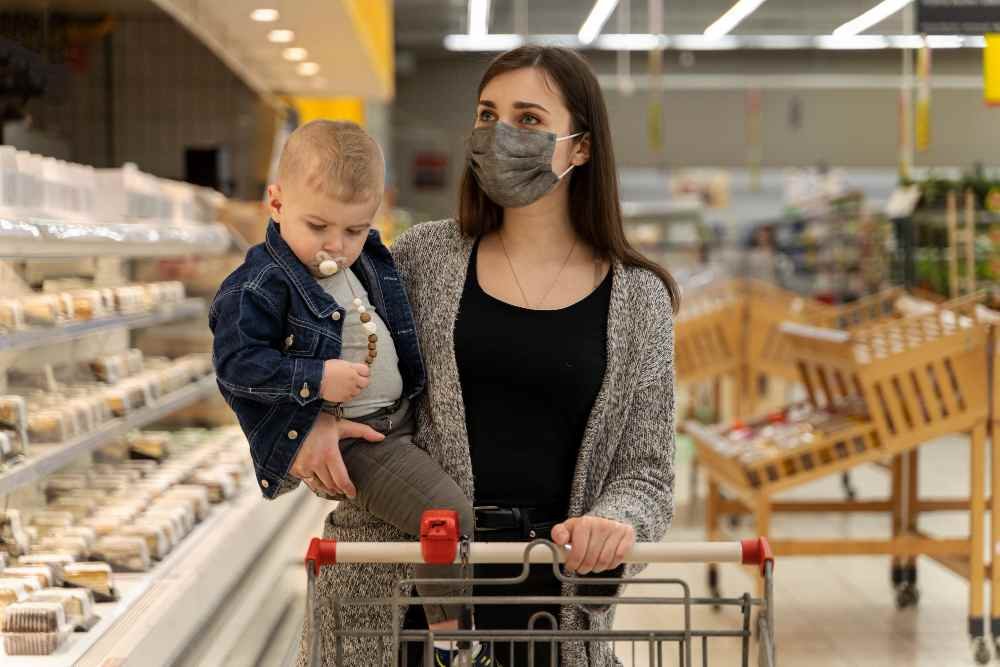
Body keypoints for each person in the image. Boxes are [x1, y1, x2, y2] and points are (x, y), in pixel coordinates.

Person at [298, 46, 678, 666]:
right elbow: (328, 355)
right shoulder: (422, 259)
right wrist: (313, 419)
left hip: (548, 603)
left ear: (580, 146)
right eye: (487, 114)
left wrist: (614, 520)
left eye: (528, 119)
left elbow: (648, 472)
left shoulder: (640, 299)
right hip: (398, 593)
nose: (501, 135)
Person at [208, 120, 493, 666]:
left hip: (402, 419)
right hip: (363, 440)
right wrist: (316, 378)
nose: (335, 245)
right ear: (276, 201)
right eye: (317, 225)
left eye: (356, 230)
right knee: (445, 515)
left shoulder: (366, 258)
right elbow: (236, 365)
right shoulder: (261, 283)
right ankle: (457, 644)